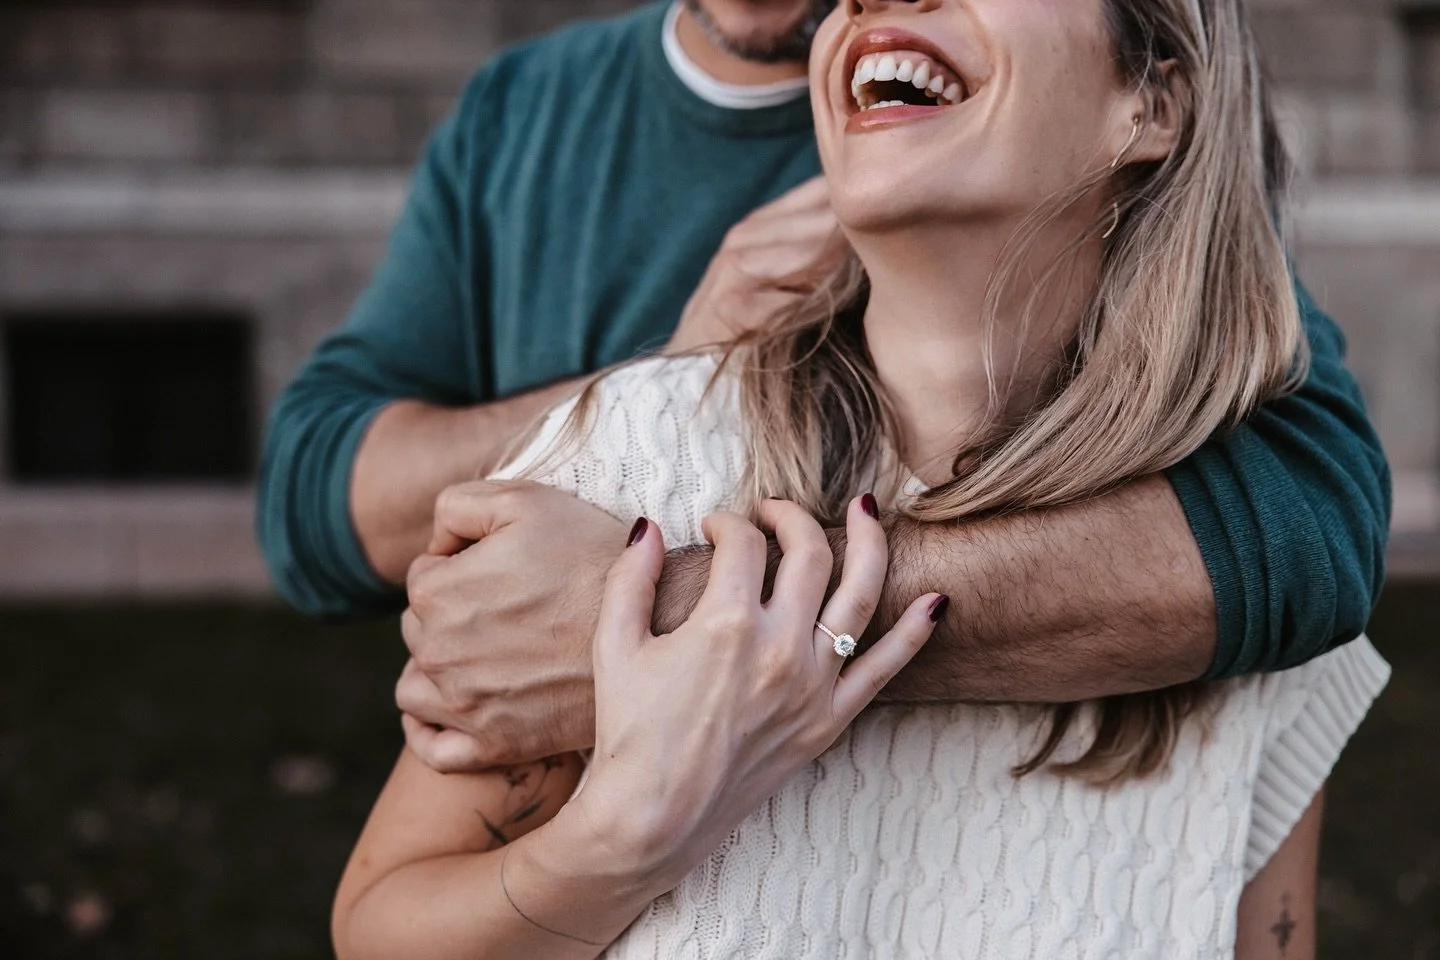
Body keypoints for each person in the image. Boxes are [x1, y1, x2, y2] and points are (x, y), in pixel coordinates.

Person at [331, 0, 1389, 956]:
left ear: (1152, 106)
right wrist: (618, 844)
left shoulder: (1245, 614)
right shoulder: (632, 465)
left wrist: (701, 619)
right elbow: (383, 925)